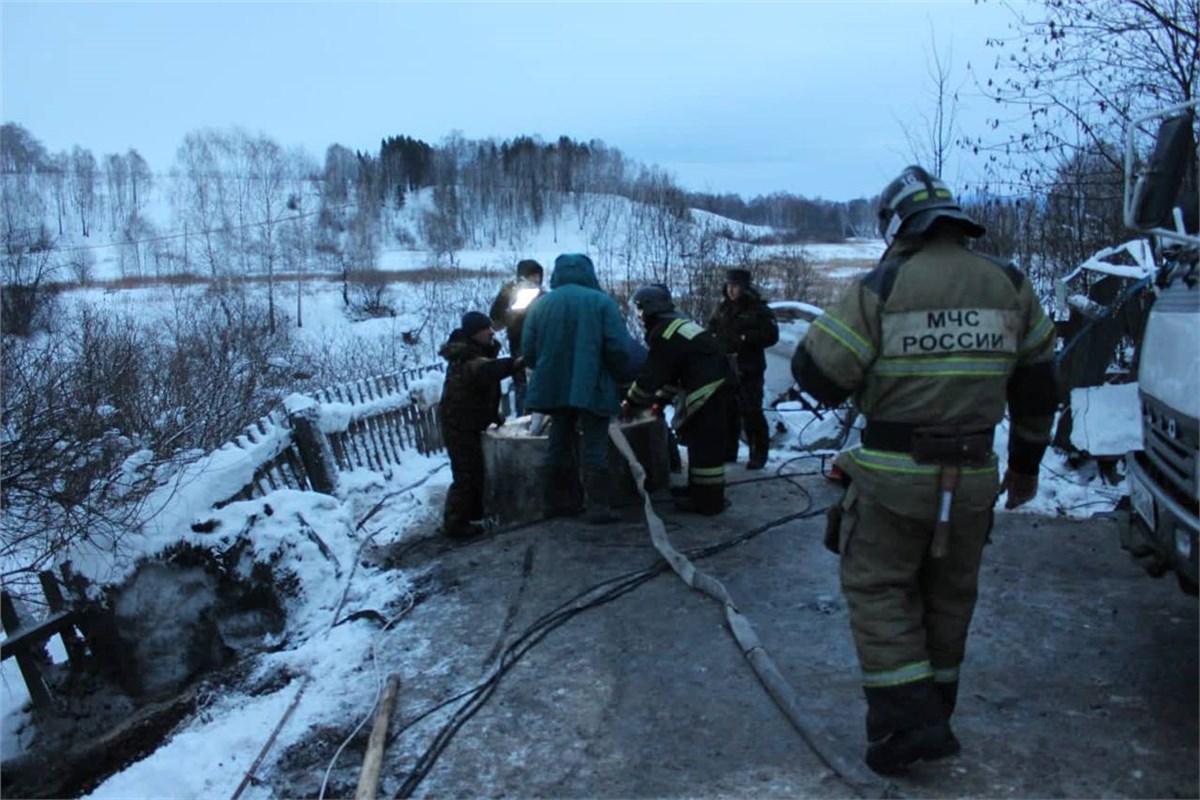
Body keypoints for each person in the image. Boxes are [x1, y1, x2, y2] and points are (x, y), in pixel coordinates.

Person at [791, 165, 1058, 775]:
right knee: (950, 597)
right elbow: (1041, 388)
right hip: (972, 478)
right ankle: (936, 711)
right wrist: (1026, 467)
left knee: (881, 590)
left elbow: (817, 375)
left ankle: (908, 728)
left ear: (898, 224)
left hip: (893, 475)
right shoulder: (1012, 284)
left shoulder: (884, 285)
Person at [521, 253, 629, 524]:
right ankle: (598, 507)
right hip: (592, 384)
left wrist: (549, 372)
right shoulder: (602, 302)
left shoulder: (541, 304)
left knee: (558, 440)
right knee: (594, 443)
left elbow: (529, 351)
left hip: (554, 387)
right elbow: (618, 347)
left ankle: (557, 502)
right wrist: (615, 375)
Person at [623, 285, 736, 515]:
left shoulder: (664, 333)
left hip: (710, 390)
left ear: (650, 309)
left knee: (706, 448)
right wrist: (661, 402)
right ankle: (699, 491)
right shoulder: (675, 327)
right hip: (716, 386)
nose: (640, 316)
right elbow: (673, 375)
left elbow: (651, 376)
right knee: (700, 442)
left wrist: (631, 403)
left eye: (640, 310)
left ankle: (708, 502)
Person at [437, 311, 524, 539]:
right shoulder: (467, 358)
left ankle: (472, 515)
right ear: (475, 333)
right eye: (487, 328)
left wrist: (492, 416)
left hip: (467, 421)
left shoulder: (473, 353)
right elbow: (485, 371)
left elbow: (477, 394)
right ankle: (455, 523)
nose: (492, 332)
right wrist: (516, 363)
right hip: (459, 425)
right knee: (466, 473)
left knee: (475, 470)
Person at [708, 267, 779, 470]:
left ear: (744, 287)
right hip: (727, 366)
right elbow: (711, 329)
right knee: (728, 411)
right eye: (729, 285)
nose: (731, 290)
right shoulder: (722, 308)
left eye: (736, 286)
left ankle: (758, 454)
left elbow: (771, 336)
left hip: (750, 366)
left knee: (751, 411)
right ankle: (728, 451)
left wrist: (745, 339)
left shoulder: (758, 310)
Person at [489, 259, 545, 416]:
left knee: (539, 388)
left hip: (540, 349)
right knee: (522, 389)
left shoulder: (542, 295)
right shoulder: (510, 294)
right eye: (532, 275)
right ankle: (524, 419)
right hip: (519, 349)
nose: (536, 279)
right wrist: (504, 297)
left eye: (538, 276)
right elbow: (495, 318)